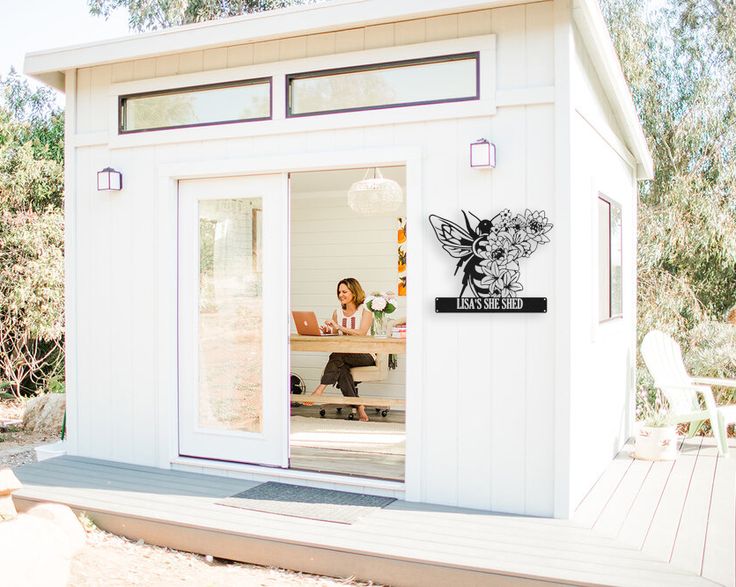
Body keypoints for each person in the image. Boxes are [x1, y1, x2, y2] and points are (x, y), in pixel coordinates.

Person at [309, 277, 375, 422]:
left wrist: (340, 327)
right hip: (344, 355)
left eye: (344, 291)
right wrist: (328, 330)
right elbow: (336, 334)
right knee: (342, 370)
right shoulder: (337, 312)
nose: (341, 295)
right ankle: (359, 407)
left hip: (364, 355)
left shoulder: (365, 310)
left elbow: (362, 332)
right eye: (339, 292)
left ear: (354, 292)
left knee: (337, 354)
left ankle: (320, 388)